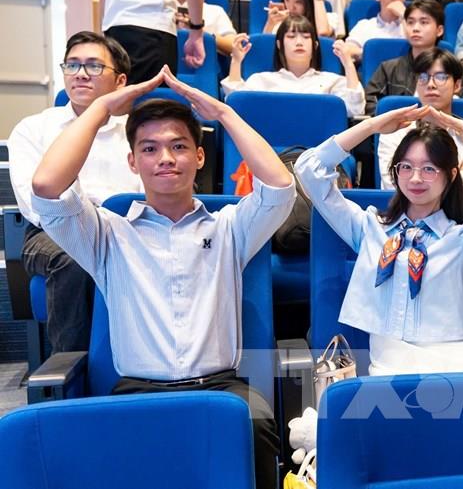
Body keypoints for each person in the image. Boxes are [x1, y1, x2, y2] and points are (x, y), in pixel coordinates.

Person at [30, 68, 296, 489]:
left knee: (257, 426)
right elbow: (46, 186)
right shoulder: (107, 233)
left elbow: (280, 186)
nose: (166, 158)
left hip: (221, 390)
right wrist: (102, 107)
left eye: (179, 146)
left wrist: (224, 113)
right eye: (150, 149)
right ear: (132, 162)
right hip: (138, 391)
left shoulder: (230, 227)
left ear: (200, 157)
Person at [294, 105, 463, 375]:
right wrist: (372, 126)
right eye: (406, 167)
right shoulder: (369, 228)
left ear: (451, 175)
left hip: (458, 366)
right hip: (390, 370)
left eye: (429, 168)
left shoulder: (462, 238)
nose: (416, 178)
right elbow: (309, 169)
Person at [8, 32, 143, 353]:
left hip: (128, 227)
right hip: (53, 231)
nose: (80, 74)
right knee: (71, 256)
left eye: (94, 66)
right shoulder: (33, 128)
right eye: (72, 65)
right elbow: (34, 202)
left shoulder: (136, 130)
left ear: (120, 81)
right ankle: (71, 363)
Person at [378, 48, 463, 200]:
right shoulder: (395, 133)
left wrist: (421, 180)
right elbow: (394, 186)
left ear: (457, 85)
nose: (430, 84)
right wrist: (455, 174)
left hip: (461, 213)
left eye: (440, 77)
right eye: (423, 77)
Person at [222, 15, 364, 118]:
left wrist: (348, 64)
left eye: (306, 37)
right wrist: (236, 61)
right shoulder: (261, 80)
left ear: (315, 46)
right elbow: (236, 106)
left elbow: (355, 110)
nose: (299, 42)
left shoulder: (333, 82)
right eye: (291, 36)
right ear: (279, 45)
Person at [366, 0, 463, 113]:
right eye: (410, 22)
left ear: (439, 30)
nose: (415, 28)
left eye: (424, 22)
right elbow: (371, 105)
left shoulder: (457, 69)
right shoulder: (388, 69)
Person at [345, 0, 409, 61]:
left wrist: (404, 15)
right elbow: (347, 50)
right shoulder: (364, 26)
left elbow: (421, 50)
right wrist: (374, 53)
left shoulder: (414, 25)